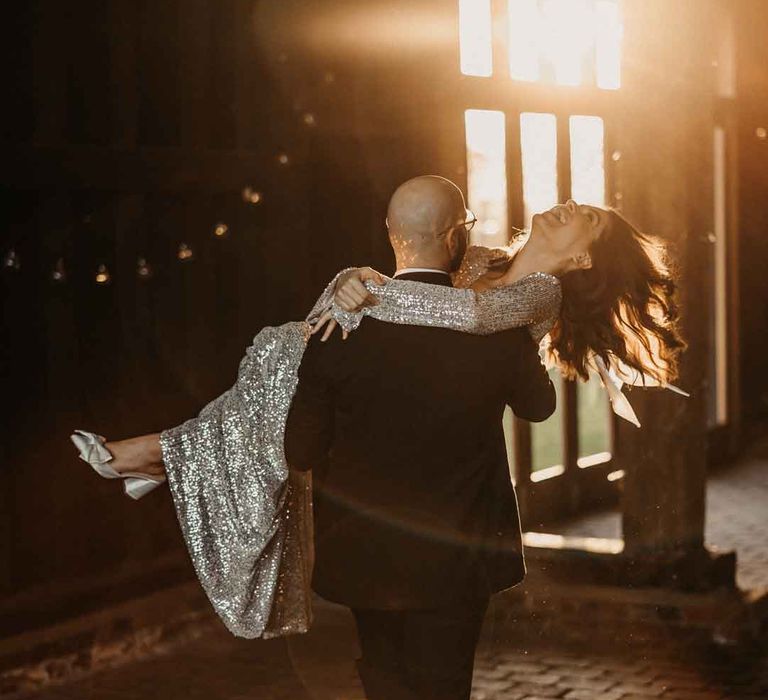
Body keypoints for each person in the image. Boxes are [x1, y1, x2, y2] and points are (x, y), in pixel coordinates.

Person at [69, 175, 685, 645]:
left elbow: (459, 314)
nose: (573, 206)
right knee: (284, 367)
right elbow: (410, 285)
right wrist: (352, 280)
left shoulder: (536, 295)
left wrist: (373, 293)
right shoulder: (484, 260)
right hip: (369, 388)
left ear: (581, 262)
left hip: (428, 451)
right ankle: (166, 456)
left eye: (590, 222)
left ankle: (161, 455)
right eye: (582, 204)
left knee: (286, 369)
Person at [282, 176, 557, 699]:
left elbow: (301, 450)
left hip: (365, 550)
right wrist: (526, 332)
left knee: (385, 680)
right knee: (443, 685)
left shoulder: (340, 328)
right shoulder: (492, 326)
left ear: (391, 233)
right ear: (456, 238)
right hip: (457, 554)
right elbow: (539, 407)